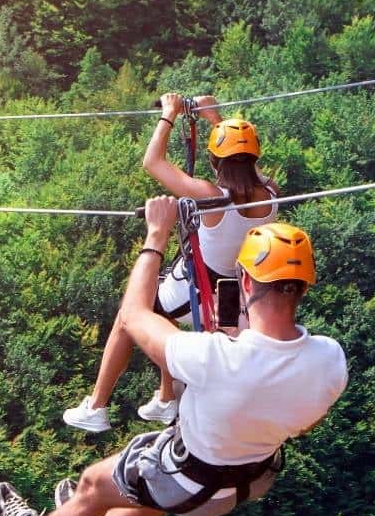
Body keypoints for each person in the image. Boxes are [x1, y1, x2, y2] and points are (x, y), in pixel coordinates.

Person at [0, 196, 347, 516]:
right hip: (248, 481)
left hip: (189, 480)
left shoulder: (215, 356)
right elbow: (307, 422)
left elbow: (132, 315)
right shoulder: (330, 360)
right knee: (151, 494)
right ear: (305, 287)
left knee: (94, 486)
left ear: (243, 279)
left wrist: (156, 234)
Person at [63, 93, 279, 432]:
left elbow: (152, 162)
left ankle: (97, 406)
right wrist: (213, 118)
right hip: (235, 294)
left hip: (200, 287)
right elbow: (244, 162)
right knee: (165, 316)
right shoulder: (271, 193)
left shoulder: (210, 196)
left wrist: (169, 114)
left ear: (213, 160)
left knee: (129, 316)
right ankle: (166, 397)